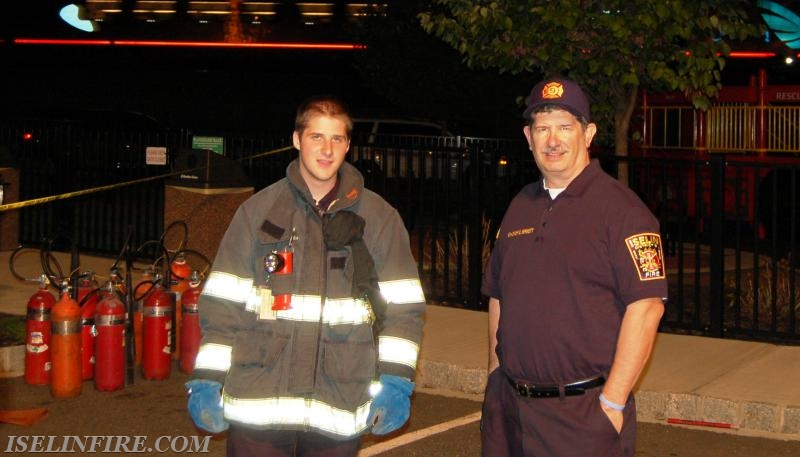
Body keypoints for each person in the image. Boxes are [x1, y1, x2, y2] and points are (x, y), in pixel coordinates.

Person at [185, 95, 426, 456]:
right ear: (297, 140)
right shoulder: (258, 212)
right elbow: (223, 303)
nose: (327, 150)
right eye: (317, 137)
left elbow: (404, 308)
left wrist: (396, 380)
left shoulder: (379, 219)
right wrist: (207, 378)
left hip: (339, 400)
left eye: (337, 139)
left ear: (348, 145)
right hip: (259, 399)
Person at [480, 78, 667, 457]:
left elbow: (647, 307)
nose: (553, 140)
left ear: (589, 133)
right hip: (509, 411)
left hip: (581, 417)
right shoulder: (520, 205)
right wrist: (493, 378)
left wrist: (612, 405)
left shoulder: (624, 212)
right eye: (542, 128)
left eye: (565, 127)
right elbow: (499, 295)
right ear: (528, 137)